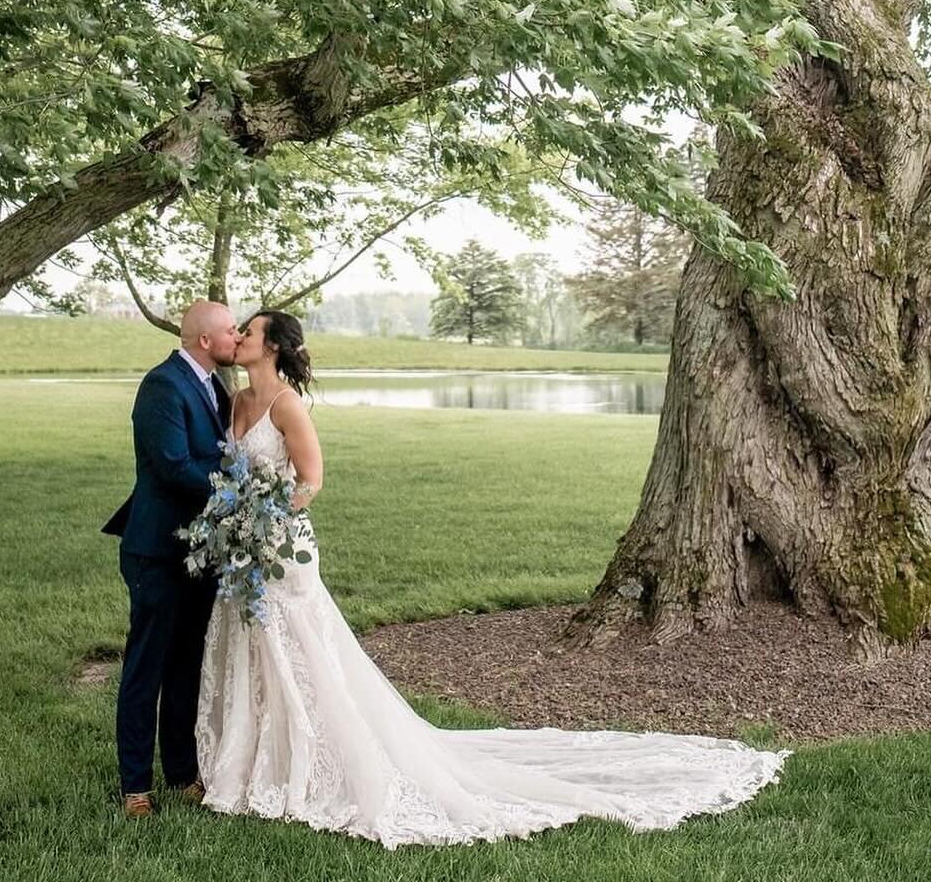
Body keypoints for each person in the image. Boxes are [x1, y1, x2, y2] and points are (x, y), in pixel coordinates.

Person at [195, 310, 786, 848]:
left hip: (281, 550)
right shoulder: (238, 402)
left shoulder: (287, 407)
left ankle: (318, 762)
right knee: (254, 651)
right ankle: (254, 763)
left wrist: (264, 519)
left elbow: (311, 480)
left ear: (271, 347)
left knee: (302, 652)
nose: (239, 338)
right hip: (244, 553)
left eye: (248, 331)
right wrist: (237, 520)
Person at [103, 299, 236, 817]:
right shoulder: (162, 385)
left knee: (186, 668)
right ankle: (135, 788)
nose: (236, 336)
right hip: (157, 551)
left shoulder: (213, 386)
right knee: (147, 670)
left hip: (199, 553)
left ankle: (182, 773)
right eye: (229, 330)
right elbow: (174, 467)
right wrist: (241, 486)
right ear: (205, 341)